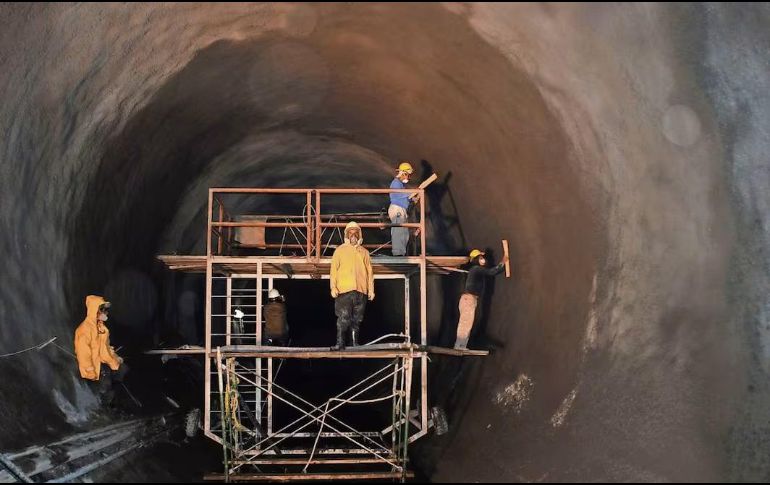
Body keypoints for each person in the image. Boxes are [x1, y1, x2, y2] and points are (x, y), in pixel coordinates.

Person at [330, 222, 375, 349]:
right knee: (343, 318)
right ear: (347, 235)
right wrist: (333, 287)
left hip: (361, 291)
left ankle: (354, 343)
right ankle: (340, 343)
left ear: (359, 234)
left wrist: (371, 290)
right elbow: (333, 270)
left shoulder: (364, 252)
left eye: (356, 233)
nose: (353, 235)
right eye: (351, 233)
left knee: (357, 320)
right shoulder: (340, 250)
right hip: (344, 290)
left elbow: (369, 272)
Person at [74, 295, 127, 401]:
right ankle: (102, 407)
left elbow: (105, 349)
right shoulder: (84, 330)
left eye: (106, 310)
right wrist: (90, 371)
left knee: (123, 370)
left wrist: (115, 359)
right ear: (95, 311)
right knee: (105, 385)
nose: (106, 312)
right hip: (93, 368)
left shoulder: (102, 329)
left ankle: (115, 402)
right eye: (103, 310)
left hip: (102, 364)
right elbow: (83, 353)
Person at [454, 249, 509, 349]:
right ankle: (459, 346)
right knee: (466, 323)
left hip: (468, 299)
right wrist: (502, 263)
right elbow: (491, 272)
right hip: (469, 299)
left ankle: (460, 345)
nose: (483, 260)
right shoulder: (476, 269)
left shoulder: (476, 270)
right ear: (475, 260)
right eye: (480, 258)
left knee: (466, 323)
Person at [388, 162, 414, 256]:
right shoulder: (396, 183)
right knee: (398, 231)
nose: (408, 177)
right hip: (397, 209)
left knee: (404, 233)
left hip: (401, 209)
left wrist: (412, 198)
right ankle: (397, 253)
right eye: (407, 174)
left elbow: (403, 195)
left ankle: (401, 253)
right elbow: (400, 194)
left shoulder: (401, 185)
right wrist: (412, 192)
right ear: (402, 173)